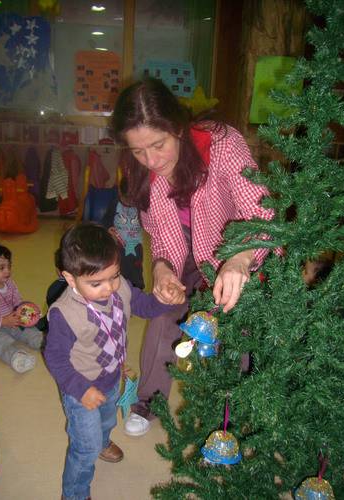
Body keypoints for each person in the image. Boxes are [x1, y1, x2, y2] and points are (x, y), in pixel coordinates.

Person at [111, 77, 282, 436]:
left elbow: (263, 212)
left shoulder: (222, 144)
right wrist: (161, 270)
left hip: (233, 245)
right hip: (182, 250)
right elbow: (159, 232)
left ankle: (228, 415)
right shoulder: (141, 165)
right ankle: (150, 400)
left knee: (234, 326)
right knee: (163, 314)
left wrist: (240, 258)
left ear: (178, 128)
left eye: (158, 145)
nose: (151, 160)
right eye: (138, 151)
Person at [43, 222, 185, 500]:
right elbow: (55, 357)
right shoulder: (64, 315)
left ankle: (103, 441)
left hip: (111, 377)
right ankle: (74, 492)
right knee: (85, 446)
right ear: (70, 279)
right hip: (80, 388)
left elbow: (143, 306)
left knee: (107, 421)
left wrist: (165, 301)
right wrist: (80, 389)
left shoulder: (120, 290)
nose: (109, 288)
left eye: (115, 276)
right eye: (96, 283)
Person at [0, 242, 43, 372]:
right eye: (1, 268)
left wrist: (23, 310)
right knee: (1, 341)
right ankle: (16, 356)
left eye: (9, 266)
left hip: (13, 321)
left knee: (30, 332)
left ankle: (48, 345)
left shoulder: (10, 283)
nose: (7, 271)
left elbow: (17, 299)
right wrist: (3, 321)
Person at [103, 176, 145, 289]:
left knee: (135, 268)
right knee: (119, 267)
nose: (130, 203)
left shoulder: (140, 206)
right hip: (117, 245)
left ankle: (137, 287)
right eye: (127, 199)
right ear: (120, 192)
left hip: (135, 245)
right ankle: (120, 288)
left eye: (133, 199)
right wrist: (109, 227)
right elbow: (106, 219)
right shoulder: (114, 205)